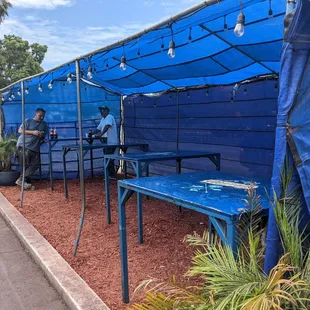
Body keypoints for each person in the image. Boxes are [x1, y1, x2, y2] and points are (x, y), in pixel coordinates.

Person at [16, 108, 48, 190]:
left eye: (43, 116)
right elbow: (20, 130)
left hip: (34, 147)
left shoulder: (44, 124)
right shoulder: (28, 121)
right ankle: (25, 183)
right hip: (23, 145)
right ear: (36, 113)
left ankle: (21, 180)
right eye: (40, 115)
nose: (41, 118)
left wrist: (41, 136)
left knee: (36, 164)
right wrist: (33, 132)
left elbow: (44, 137)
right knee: (25, 165)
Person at [94, 105, 118, 177]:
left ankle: (111, 174)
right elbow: (98, 129)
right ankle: (110, 174)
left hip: (111, 141)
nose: (102, 112)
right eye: (101, 111)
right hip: (105, 141)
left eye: (103, 110)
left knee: (109, 158)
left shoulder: (109, 117)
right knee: (107, 158)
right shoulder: (103, 119)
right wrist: (91, 133)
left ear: (107, 111)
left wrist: (100, 134)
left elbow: (107, 126)